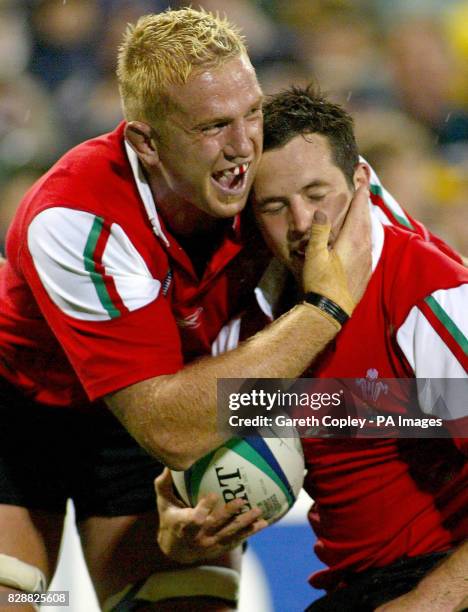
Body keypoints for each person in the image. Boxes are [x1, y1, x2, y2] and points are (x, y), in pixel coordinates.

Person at [0, 9, 372, 612]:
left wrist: (315, 417)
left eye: (253, 112)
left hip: (173, 408)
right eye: (213, 126)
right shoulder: (76, 219)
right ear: (147, 142)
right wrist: (323, 311)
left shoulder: (305, 188)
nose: (244, 147)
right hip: (21, 413)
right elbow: (171, 427)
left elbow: (430, 404)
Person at [155, 84, 468, 612]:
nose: (303, 224)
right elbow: (184, 475)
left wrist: (421, 605)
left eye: (318, 194)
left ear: (361, 182)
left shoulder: (428, 296)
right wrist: (178, 530)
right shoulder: (250, 322)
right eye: (275, 205)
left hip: (441, 574)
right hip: (350, 590)